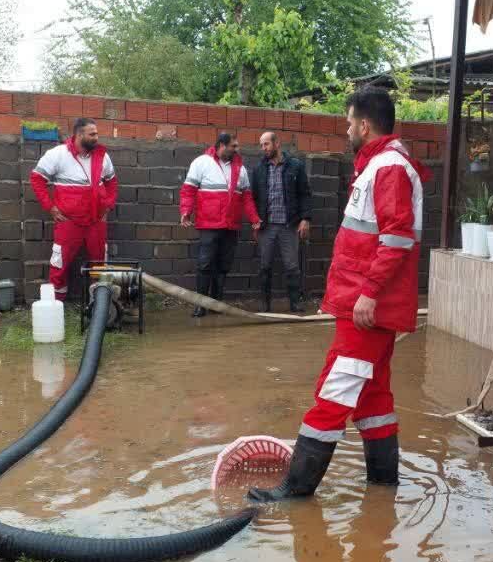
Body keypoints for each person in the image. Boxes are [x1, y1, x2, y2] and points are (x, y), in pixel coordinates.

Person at [249, 87, 429, 503]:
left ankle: (295, 491)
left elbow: (396, 238)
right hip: (368, 305)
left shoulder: (388, 168)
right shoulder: (381, 166)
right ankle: (383, 488)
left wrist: (368, 294)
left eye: (349, 123)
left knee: (334, 391)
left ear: (364, 125)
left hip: (368, 308)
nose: (346, 130)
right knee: (373, 396)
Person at [29, 118, 117, 300]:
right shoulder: (58, 154)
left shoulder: (102, 156)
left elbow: (111, 182)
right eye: (92, 134)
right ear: (79, 135)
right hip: (69, 222)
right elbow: (37, 179)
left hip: (96, 221)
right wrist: (50, 207)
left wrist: (108, 205)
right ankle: (56, 305)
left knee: (99, 263)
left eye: (97, 133)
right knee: (59, 263)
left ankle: (98, 304)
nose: (96, 137)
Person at [179, 133, 261, 317]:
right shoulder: (201, 163)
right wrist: (185, 212)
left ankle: (216, 304)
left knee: (223, 265)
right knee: (205, 264)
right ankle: (200, 304)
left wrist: (254, 219)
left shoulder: (240, 168)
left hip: (230, 226)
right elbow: (188, 190)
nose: (237, 149)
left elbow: (247, 198)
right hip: (209, 225)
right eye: (234, 146)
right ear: (222, 146)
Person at [249, 131, 313, 313]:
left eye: (266, 144)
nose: (263, 148)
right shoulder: (259, 168)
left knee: (292, 266)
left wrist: (305, 219)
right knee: (265, 265)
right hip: (266, 226)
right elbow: (252, 198)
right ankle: (265, 304)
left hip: (289, 225)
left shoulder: (295, 166)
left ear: (277, 143)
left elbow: (305, 194)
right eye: (261, 145)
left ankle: (294, 303)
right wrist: (254, 222)